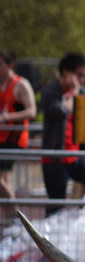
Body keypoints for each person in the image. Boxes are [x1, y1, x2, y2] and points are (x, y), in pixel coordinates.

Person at [40, 53, 85, 215]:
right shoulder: (50, 92)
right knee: (56, 202)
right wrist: (74, 92)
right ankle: (48, 237)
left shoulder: (81, 91)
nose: (82, 81)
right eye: (79, 76)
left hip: (75, 155)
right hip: (55, 157)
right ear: (67, 73)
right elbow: (61, 111)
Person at [0, 49, 36, 219]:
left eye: (1, 64)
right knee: (4, 181)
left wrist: (7, 117)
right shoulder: (2, 85)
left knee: (2, 181)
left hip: (14, 138)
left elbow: (32, 111)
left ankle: (15, 216)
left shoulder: (21, 84)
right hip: (3, 137)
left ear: (10, 65)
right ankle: (9, 218)